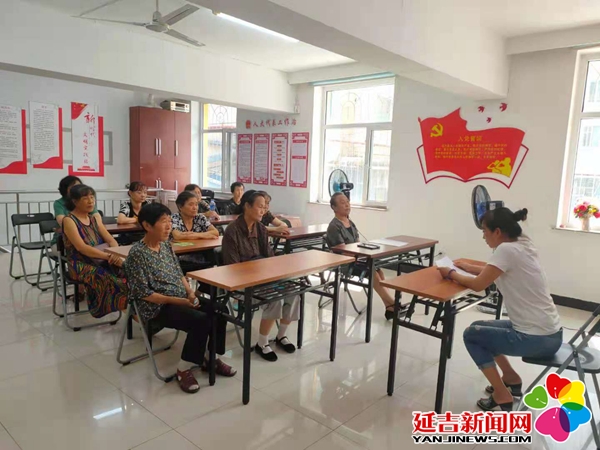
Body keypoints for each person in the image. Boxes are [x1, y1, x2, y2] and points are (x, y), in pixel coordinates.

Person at [437, 207, 562, 412]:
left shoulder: (506, 250)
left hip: (536, 339)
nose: (483, 237)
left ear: (497, 232)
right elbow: (499, 270)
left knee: (472, 335)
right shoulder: (523, 243)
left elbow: (479, 285)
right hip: (550, 332)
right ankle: (511, 378)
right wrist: (469, 267)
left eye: (484, 231)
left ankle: (502, 394)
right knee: (480, 326)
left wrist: (450, 273)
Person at [124, 203, 236, 394]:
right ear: (147, 225)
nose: (169, 226)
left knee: (220, 310)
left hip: (181, 297)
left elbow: (178, 273)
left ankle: (210, 357)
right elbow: (144, 295)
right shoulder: (137, 254)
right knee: (200, 320)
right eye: (163, 222)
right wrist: (181, 302)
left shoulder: (166, 245)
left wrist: (190, 293)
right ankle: (183, 368)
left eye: (170, 221)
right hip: (157, 307)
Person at [222, 190, 299, 362]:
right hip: (243, 281)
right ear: (247, 206)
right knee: (274, 298)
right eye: (260, 206)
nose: (263, 211)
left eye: (265, 207)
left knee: (294, 292)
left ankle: (281, 336)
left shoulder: (261, 228)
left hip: (263, 277)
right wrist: (259, 271)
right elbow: (233, 268)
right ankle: (262, 343)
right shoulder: (232, 231)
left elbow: (269, 258)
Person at [325, 192, 398, 320]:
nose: (347, 205)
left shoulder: (351, 223)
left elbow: (357, 244)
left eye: (347, 202)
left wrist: (365, 251)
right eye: (342, 203)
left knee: (379, 270)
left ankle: (389, 306)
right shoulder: (334, 226)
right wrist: (361, 254)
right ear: (334, 207)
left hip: (357, 259)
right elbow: (343, 251)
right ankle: (393, 303)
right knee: (372, 271)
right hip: (344, 263)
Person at [61, 184, 127, 318]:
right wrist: (108, 257)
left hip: (101, 259)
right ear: (75, 201)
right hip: (80, 264)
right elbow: (81, 248)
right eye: (85, 198)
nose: (91, 201)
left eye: (92, 197)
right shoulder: (69, 220)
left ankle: (131, 308)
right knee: (109, 279)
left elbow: (111, 240)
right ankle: (122, 310)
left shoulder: (94, 219)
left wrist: (114, 254)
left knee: (127, 271)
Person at [171, 191, 219, 272]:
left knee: (215, 255)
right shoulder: (174, 218)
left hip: (200, 254)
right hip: (179, 257)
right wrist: (206, 235)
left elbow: (215, 232)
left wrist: (195, 234)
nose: (195, 208)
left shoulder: (200, 217)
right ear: (180, 207)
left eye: (196, 204)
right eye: (191, 204)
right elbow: (177, 236)